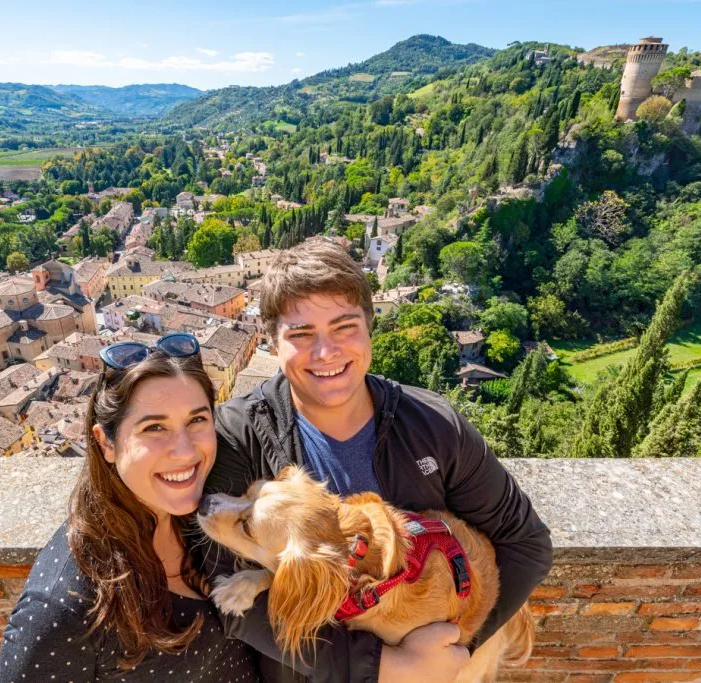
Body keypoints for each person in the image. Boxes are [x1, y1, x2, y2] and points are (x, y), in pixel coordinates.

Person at [198, 240, 554, 683]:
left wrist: (459, 646)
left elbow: (527, 543)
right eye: (301, 334)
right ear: (272, 341)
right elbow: (219, 589)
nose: (326, 353)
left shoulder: (434, 426)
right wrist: (387, 668)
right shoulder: (236, 434)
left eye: (344, 326)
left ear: (370, 326)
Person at [0, 333, 261, 683]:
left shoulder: (209, 512)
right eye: (154, 428)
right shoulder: (63, 605)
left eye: (197, 420)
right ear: (105, 442)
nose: (185, 451)